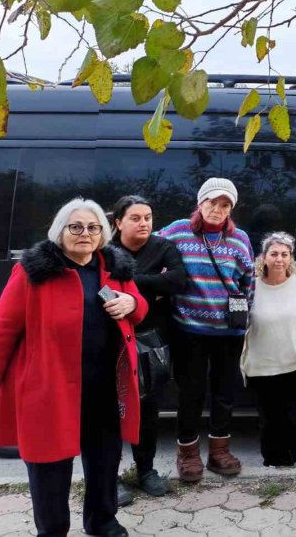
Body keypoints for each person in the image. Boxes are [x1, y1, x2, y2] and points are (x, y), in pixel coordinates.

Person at [0, 198, 148, 537]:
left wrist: (133, 302)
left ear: (103, 233)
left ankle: (102, 522)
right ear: (60, 232)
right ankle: (52, 530)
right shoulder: (33, 273)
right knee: (49, 466)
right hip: (50, 389)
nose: (85, 233)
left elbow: (139, 308)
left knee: (105, 461)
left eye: (93, 227)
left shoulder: (115, 267)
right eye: (76, 227)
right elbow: (0, 333)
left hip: (104, 387)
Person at [159, 178, 254, 482]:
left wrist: (242, 315)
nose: (217, 209)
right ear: (200, 203)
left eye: (225, 204)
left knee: (224, 393)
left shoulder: (239, 238)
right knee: (191, 392)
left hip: (228, 332)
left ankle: (219, 451)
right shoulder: (177, 231)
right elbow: (148, 249)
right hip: (189, 330)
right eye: (212, 202)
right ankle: (188, 453)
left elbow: (248, 280)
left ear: (231, 209)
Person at [110, 195, 187, 499]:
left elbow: (178, 281)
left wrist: (128, 284)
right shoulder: (105, 250)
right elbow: (102, 289)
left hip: (151, 343)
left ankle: (146, 471)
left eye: (148, 218)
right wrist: (155, 284)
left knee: (148, 409)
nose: (144, 223)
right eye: (135, 218)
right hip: (112, 341)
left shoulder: (163, 247)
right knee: (110, 411)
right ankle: (109, 477)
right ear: (118, 223)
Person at [240, 232, 296, 467]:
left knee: (292, 420)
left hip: (295, 365)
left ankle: (287, 467)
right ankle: (271, 466)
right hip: (261, 367)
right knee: (268, 421)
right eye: (274, 254)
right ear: (263, 257)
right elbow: (240, 323)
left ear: (291, 258)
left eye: (285, 254)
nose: (279, 259)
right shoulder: (251, 286)